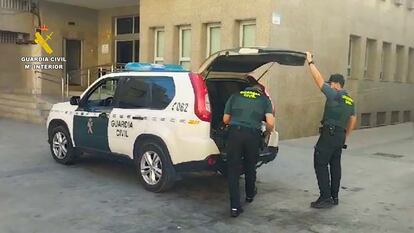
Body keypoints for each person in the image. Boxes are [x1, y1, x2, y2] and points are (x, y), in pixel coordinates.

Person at [305, 51, 357, 208]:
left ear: (336, 84)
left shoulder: (335, 94)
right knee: (335, 165)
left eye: (331, 83)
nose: (329, 85)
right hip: (340, 136)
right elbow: (353, 120)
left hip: (330, 134)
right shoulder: (350, 100)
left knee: (320, 162)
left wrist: (310, 62)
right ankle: (334, 197)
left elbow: (318, 80)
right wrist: (346, 136)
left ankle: (325, 197)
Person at [223, 81, 275, 217]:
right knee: (250, 165)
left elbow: (225, 119)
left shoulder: (235, 96)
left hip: (235, 134)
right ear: (260, 91)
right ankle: (250, 195)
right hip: (252, 135)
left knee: (233, 170)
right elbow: (270, 123)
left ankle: (234, 207)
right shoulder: (264, 100)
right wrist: (266, 132)